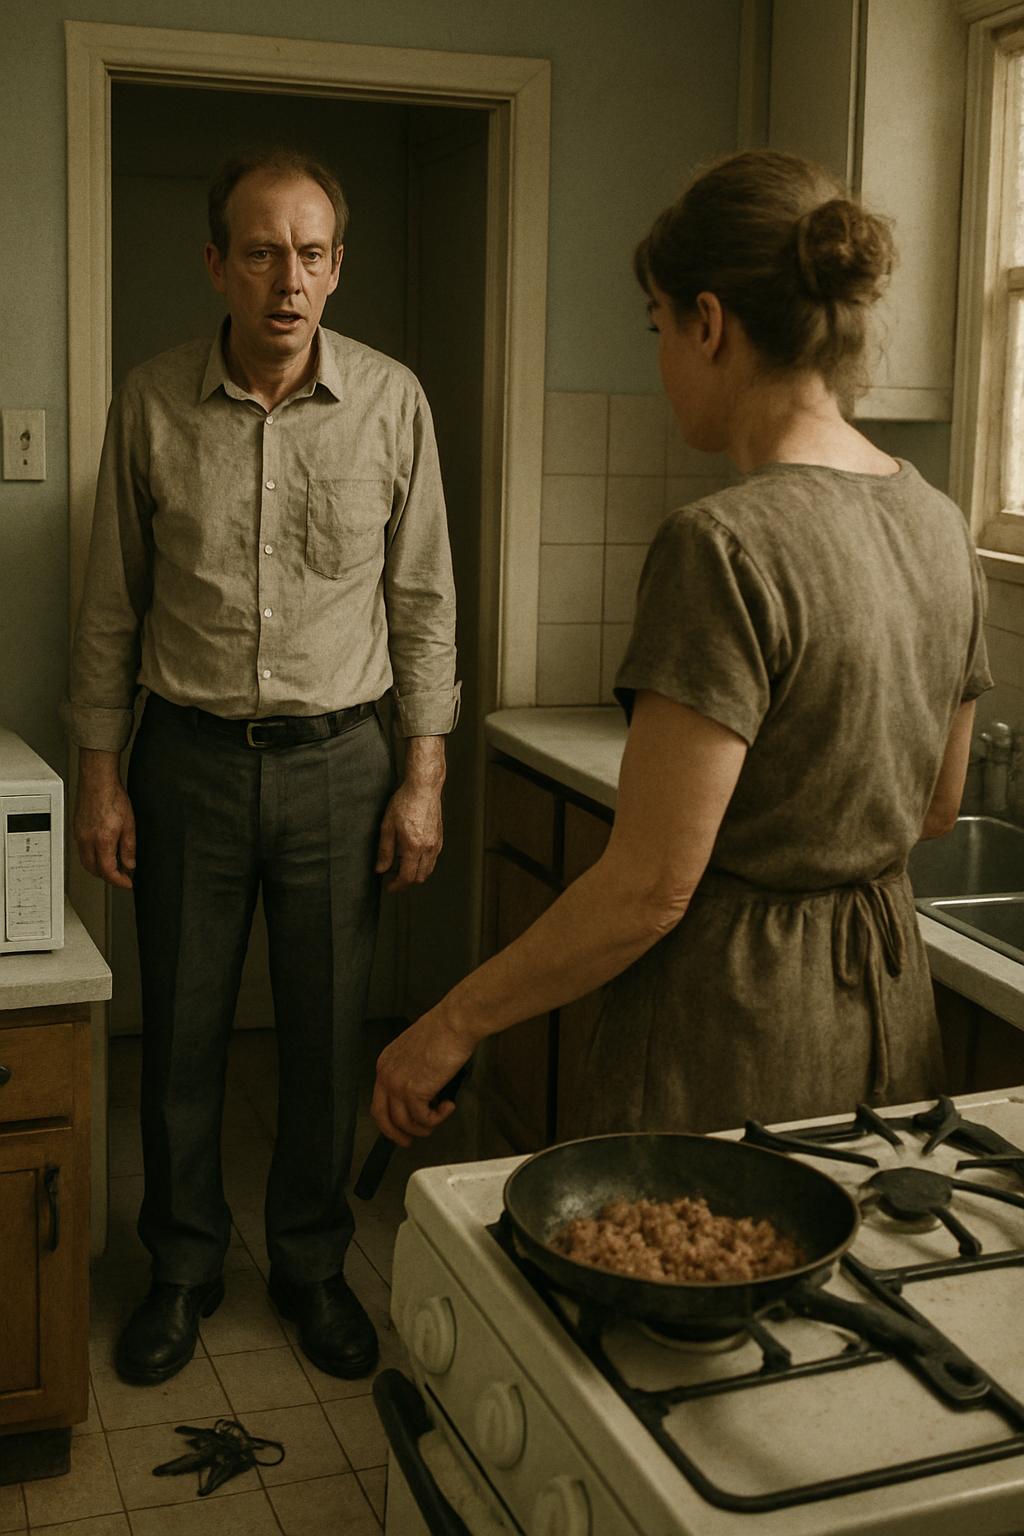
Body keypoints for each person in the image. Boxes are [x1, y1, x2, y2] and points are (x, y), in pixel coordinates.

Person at [371, 148, 990, 1149]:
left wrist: (450, 1023)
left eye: (656, 325)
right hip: (886, 1003)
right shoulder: (940, 524)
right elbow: (935, 805)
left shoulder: (721, 544)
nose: (659, 358)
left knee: (703, 1241)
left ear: (709, 323)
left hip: (738, 1026)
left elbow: (649, 887)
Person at [67, 148, 459, 1384]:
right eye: (261, 252)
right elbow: (110, 607)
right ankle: (182, 1269)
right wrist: (99, 776)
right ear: (216, 265)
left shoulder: (393, 402)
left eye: (311, 253)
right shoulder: (150, 402)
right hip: (183, 761)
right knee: (179, 1035)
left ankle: (309, 1264)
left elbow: (424, 606)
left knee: (325, 1038)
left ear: (337, 268)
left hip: (343, 764)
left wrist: (423, 779)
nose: (288, 280)